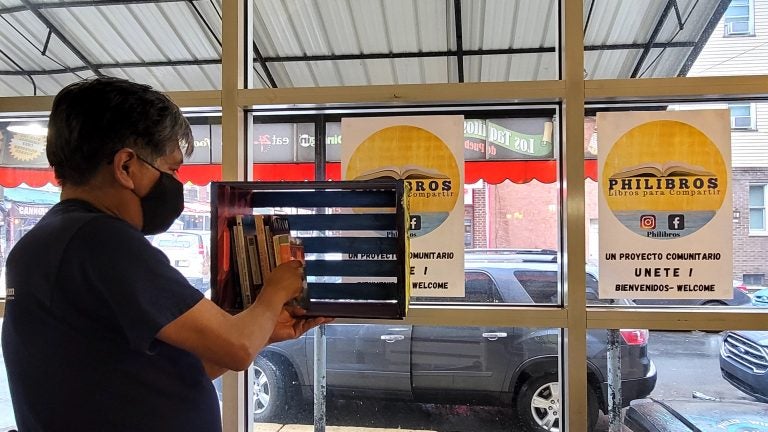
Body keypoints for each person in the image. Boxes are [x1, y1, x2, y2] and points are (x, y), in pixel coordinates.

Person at [0, 77, 331, 432]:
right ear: (126, 166)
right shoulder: (103, 242)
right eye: (171, 169)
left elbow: (164, 368)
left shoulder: (39, 244)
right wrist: (278, 287)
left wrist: (263, 329)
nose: (177, 184)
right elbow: (236, 348)